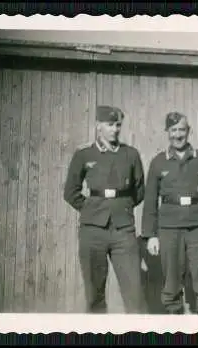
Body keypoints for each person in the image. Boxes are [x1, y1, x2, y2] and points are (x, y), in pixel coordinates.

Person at [141, 111, 198, 315]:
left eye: (182, 130)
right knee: (171, 280)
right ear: (167, 132)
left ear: (188, 132)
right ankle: (174, 321)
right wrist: (150, 234)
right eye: (173, 130)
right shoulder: (158, 161)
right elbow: (150, 201)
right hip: (170, 227)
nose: (178, 135)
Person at [63, 105, 146, 314]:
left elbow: (139, 191)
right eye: (110, 125)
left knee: (134, 296)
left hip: (123, 230)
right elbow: (70, 192)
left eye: (118, 125)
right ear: (98, 126)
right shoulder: (84, 154)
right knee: (94, 296)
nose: (115, 130)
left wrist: (121, 207)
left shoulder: (131, 154)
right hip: (93, 231)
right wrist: (92, 208)